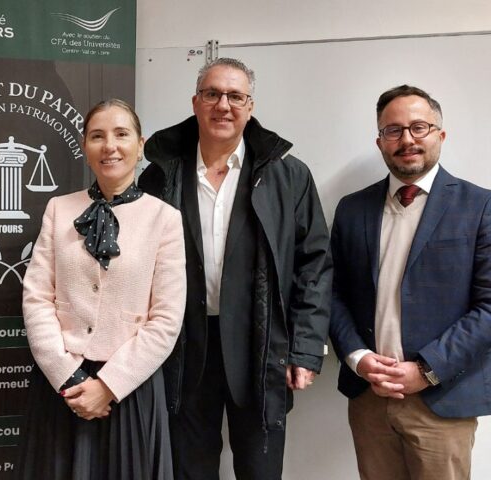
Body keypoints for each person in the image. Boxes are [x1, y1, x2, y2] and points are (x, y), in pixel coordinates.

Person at [138, 58, 332, 479]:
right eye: (212, 94)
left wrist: (303, 349)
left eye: (235, 96)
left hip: (261, 347)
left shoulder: (289, 177)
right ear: (195, 102)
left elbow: (314, 265)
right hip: (182, 348)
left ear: (250, 106)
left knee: (260, 468)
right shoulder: (160, 175)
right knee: (188, 468)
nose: (223, 105)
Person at [329, 85, 491, 480]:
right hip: (369, 397)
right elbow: (331, 294)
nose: (407, 140)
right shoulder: (352, 209)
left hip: (442, 398)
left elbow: (489, 306)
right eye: (394, 130)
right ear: (380, 141)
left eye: (419, 127)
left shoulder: (480, 206)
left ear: (440, 134)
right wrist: (358, 357)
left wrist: (427, 369)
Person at [19, 99, 186, 479]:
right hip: (62, 387)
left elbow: (166, 319)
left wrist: (108, 386)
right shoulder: (59, 209)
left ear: (140, 146)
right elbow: (37, 297)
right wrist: (68, 376)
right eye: (97, 136)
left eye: (121, 134)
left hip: (128, 389)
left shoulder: (165, 219)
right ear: (85, 146)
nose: (109, 146)